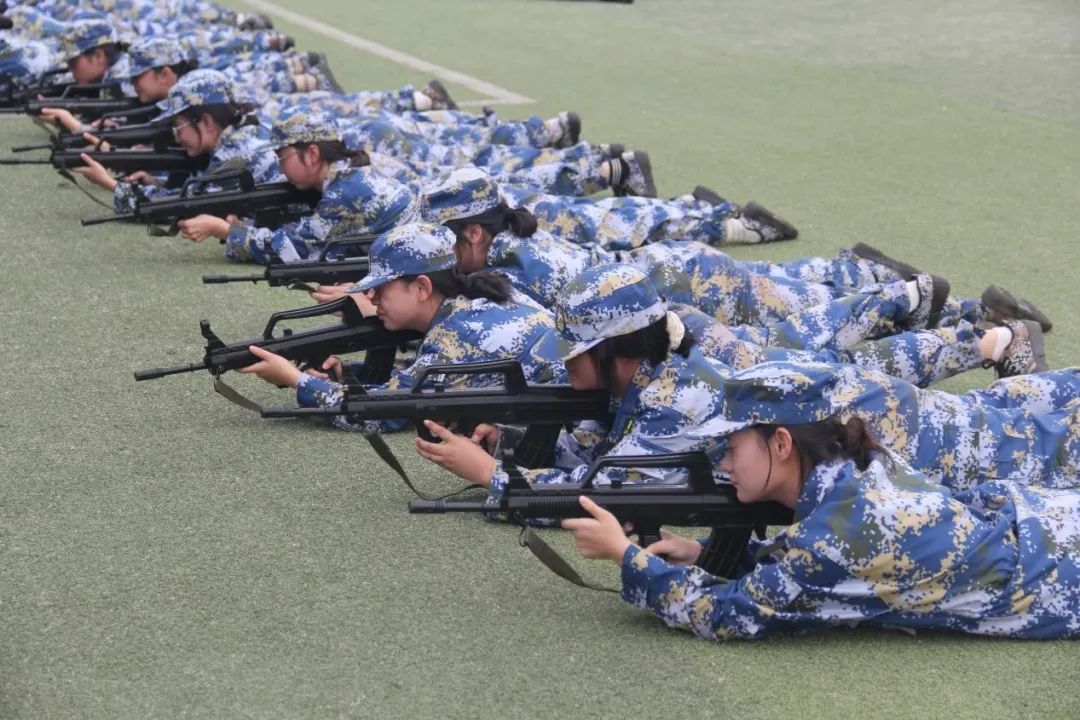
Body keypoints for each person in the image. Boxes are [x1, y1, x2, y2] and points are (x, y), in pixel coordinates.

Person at [562, 413, 1080, 639]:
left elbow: (725, 615)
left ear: (781, 444)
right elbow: (804, 560)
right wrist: (703, 554)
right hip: (1048, 519)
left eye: (733, 448)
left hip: (1060, 573)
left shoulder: (836, 535)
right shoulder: (855, 472)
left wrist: (624, 555)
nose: (723, 463)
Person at [239, 222, 561, 433]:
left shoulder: (454, 336)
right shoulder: (480, 300)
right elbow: (434, 376)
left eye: (381, 289)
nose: (372, 298)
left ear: (421, 288)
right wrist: (346, 373)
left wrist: (295, 380)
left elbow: (378, 413)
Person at [71, 69, 283, 215]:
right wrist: (157, 182)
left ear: (207, 122)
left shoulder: (235, 155)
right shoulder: (243, 135)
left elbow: (182, 206)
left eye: (178, 127)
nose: (177, 137)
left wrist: (110, 183)